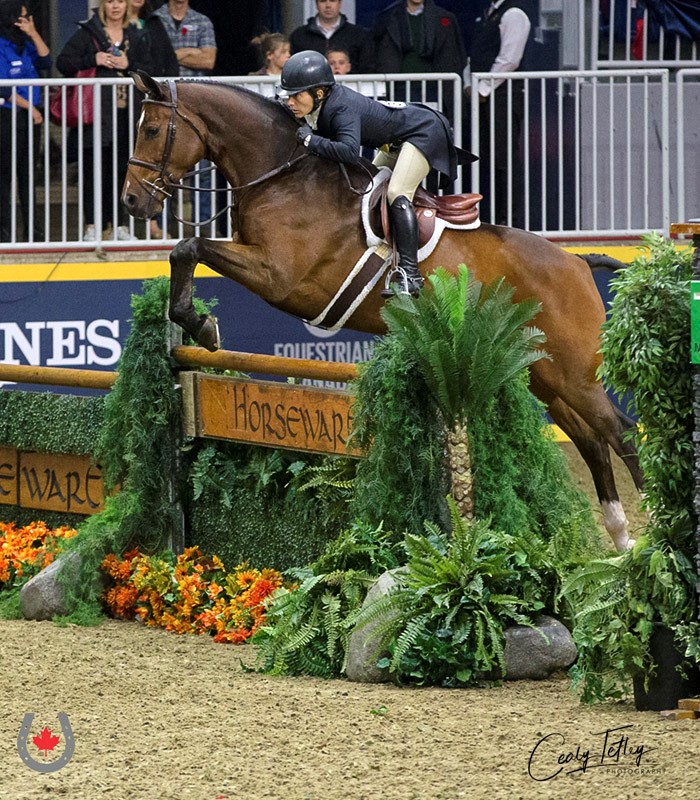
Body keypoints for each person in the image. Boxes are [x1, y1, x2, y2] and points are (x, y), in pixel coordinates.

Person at [277, 50, 475, 297]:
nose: (290, 102)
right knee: (368, 187)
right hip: (393, 143)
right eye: (288, 96)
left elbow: (349, 152)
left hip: (422, 132)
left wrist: (310, 141)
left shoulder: (341, 108)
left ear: (319, 93)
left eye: (296, 96)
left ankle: (410, 275)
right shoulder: (321, 103)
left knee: (396, 192)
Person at [56, 0, 152, 242]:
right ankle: (92, 226)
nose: (115, 6)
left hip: (127, 116)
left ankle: (119, 226)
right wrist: (94, 58)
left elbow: (152, 67)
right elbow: (63, 62)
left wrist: (130, 65)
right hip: (96, 117)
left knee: (122, 172)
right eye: (110, 1)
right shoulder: (89, 33)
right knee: (92, 171)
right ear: (103, 6)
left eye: (120, 1)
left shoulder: (137, 33)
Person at [466, 0, 532, 226]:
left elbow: (510, 59)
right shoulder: (489, 13)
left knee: (505, 160)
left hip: (503, 98)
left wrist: (483, 88)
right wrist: (471, 85)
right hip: (486, 98)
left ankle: (509, 222)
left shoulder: (514, 13)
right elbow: (476, 55)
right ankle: (494, 219)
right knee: (490, 160)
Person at [153, 0, 216, 231]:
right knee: (163, 164)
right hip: (164, 102)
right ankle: (161, 227)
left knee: (202, 168)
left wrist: (172, 55)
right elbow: (155, 60)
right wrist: (190, 52)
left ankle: (202, 228)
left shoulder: (202, 21)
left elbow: (209, 60)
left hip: (195, 104)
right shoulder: (155, 20)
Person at [0, 1, 50, 241]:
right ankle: (5, 233)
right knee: (6, 175)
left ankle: (34, 232)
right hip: (9, 117)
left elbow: (46, 62)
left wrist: (34, 33)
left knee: (28, 174)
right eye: (21, 18)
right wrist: (29, 108)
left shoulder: (26, 45)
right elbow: (3, 88)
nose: (25, 22)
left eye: (28, 18)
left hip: (32, 118)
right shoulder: (1, 46)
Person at [369, 0, 466, 77]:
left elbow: (456, 57)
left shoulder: (444, 18)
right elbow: (374, 53)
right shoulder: (387, 18)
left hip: (436, 88)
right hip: (397, 87)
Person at [290, 0, 370, 73]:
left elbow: (367, 68)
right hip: (311, 88)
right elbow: (293, 68)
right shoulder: (300, 35)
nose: (328, 5)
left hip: (351, 87)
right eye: (323, 1)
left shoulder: (358, 34)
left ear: (340, 3)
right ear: (316, 4)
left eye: (332, 0)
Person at [130, 0, 178, 78]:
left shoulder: (153, 22)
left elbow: (170, 57)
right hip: (127, 84)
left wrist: (168, 85)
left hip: (155, 84)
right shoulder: (114, 24)